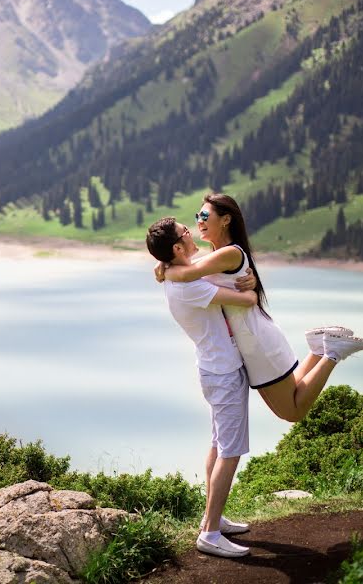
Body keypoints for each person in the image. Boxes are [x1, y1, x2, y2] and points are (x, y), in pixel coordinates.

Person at [154, 193, 363, 423]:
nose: (199, 220)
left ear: (226, 219)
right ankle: (318, 348)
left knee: (293, 412)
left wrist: (165, 268)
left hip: (257, 342)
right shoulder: (219, 255)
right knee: (292, 392)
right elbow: (192, 270)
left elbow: (187, 273)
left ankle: (332, 353)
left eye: (205, 215)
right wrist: (165, 262)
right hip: (253, 341)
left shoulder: (229, 253)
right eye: (198, 215)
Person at [145, 216, 256, 558]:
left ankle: (215, 517)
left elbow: (192, 269)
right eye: (184, 232)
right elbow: (247, 301)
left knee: (218, 443)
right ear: (177, 247)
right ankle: (209, 533)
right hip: (222, 373)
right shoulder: (189, 285)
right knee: (230, 450)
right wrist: (249, 285)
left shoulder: (179, 275)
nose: (191, 232)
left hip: (213, 369)